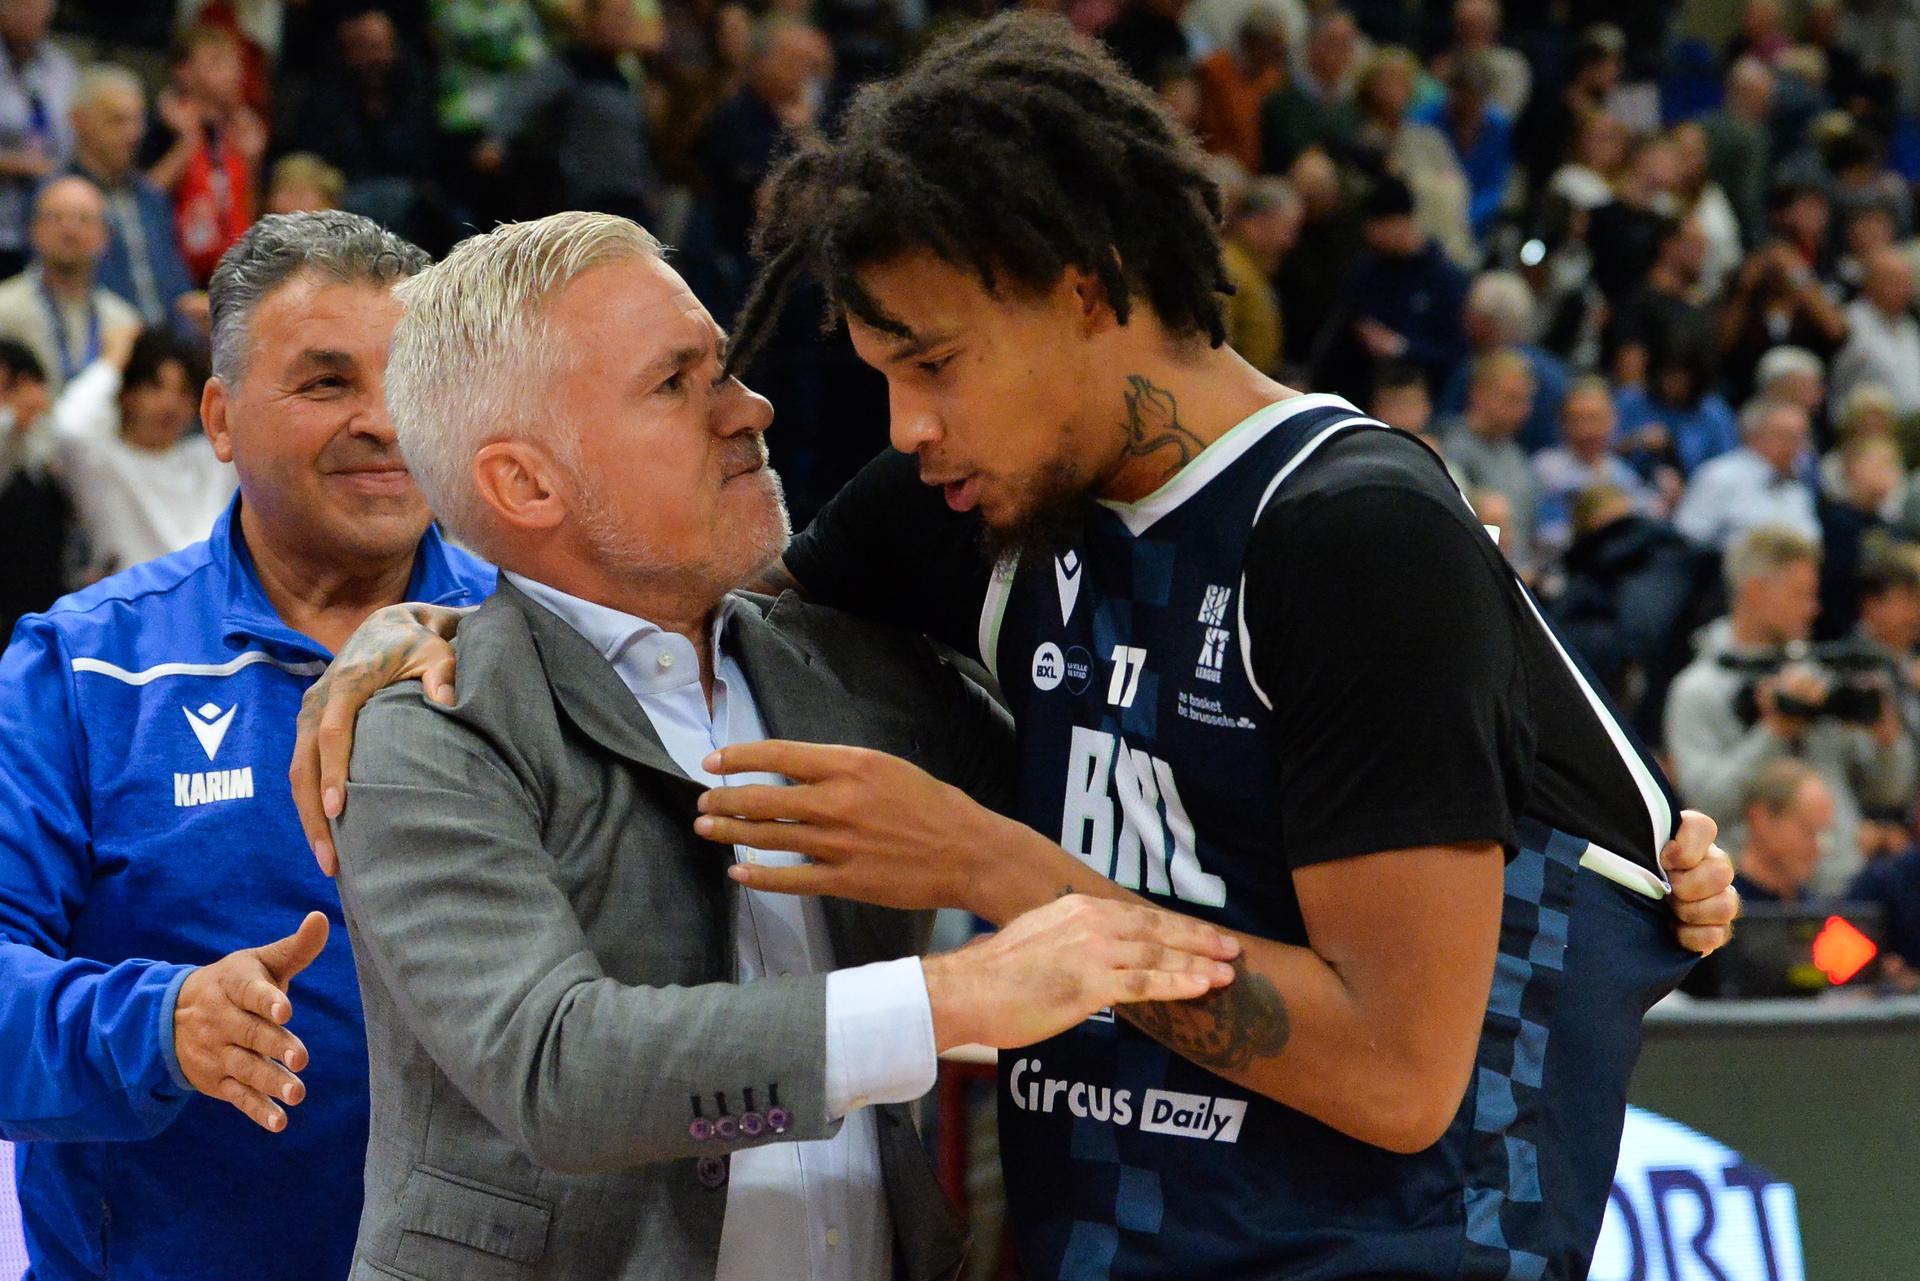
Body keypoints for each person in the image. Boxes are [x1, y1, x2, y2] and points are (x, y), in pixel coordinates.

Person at [300, 20, 1738, 1280]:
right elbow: (657, 618)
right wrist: (409, 627)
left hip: (1375, 1241)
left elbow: (1401, 1068)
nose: (901, 430)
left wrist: (1000, 883)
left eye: (931, 365)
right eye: (880, 377)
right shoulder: (978, 504)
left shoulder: (1353, 528)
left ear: (1084, 286)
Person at [330, 210, 1237, 1280]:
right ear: (526, 484)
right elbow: (558, 1073)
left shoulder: (857, 664)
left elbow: (1109, 838)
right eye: (678, 384)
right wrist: (955, 997)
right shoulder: (428, 729)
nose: (749, 408)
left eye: (726, 368)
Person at [0, 211, 498, 1280]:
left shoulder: (536, 643)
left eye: (410, 379)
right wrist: (160, 1025)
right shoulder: (82, 674)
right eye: (327, 384)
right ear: (219, 419)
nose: (384, 421)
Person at [1665, 524, 1913, 896]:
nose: (1813, 609)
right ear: (1754, 591)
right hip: (1750, 899)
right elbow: (1705, 805)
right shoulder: (1698, 690)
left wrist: (1887, 738)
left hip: (1844, 887)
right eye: (1800, 595)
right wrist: (1774, 731)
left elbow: (1888, 791)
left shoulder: (1816, 675)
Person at [41, 324, 234, 579]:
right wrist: (113, 358)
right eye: (155, 387)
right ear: (125, 394)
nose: (170, 404)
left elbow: (259, 420)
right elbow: (69, 426)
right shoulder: (101, 461)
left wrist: (232, 343)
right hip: (133, 607)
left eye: (184, 392)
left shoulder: (216, 456)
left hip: (215, 599)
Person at [66, 64, 203, 336]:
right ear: (80, 122)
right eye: (117, 120)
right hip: (101, 342)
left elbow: (177, 284)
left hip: (168, 346)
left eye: (137, 120)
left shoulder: (151, 198)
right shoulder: (61, 200)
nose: (132, 134)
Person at [143, 25, 265, 286]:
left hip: (227, 272)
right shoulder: (163, 126)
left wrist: (252, 162)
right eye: (216, 61)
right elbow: (143, 200)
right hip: (172, 267)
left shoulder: (239, 133)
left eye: (235, 63)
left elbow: (246, 214)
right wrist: (187, 143)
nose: (232, 73)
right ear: (183, 71)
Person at [0, 176, 141, 394]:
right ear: (33, 229)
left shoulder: (123, 322)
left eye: (84, 219)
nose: (70, 230)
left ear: (105, 236)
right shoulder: (5, 309)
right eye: (56, 218)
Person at [1672, 398, 1821, 550]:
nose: (1796, 446)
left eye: (1800, 437)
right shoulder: (1719, 476)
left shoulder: (1797, 487)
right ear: (1753, 435)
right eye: (1785, 435)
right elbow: (1687, 537)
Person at [0, 0, 76, 279]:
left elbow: (72, 136)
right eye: (22, 5)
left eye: (40, 6)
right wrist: (13, 164)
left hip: (45, 224)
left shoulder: (61, 68)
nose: (32, 14)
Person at [1831, 246, 1920, 416]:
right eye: (1895, 281)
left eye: (1907, 281)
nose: (1905, 289)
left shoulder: (1910, 324)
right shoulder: (1848, 322)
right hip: (1864, 428)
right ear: (1870, 283)